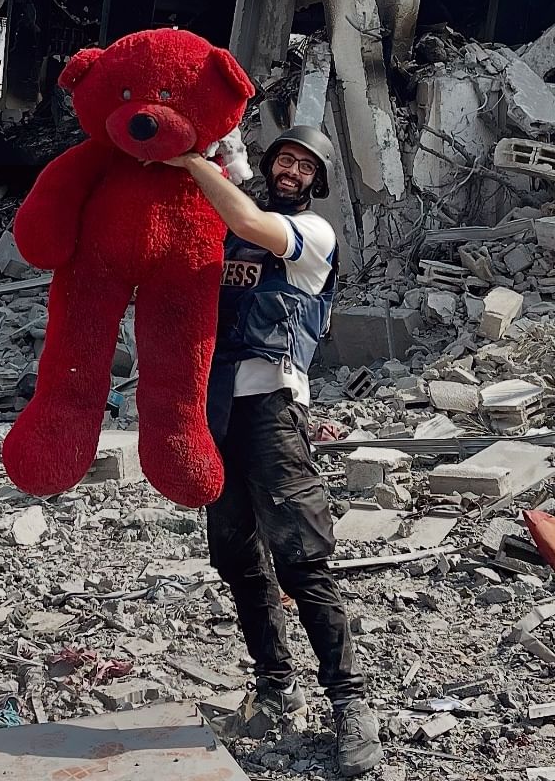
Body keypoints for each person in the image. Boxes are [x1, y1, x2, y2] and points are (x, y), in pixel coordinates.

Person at [161, 125, 384, 777]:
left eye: (305, 167)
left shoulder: (311, 235)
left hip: (274, 414)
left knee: (302, 561)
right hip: (218, 412)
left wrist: (191, 161)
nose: (292, 171)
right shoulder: (227, 236)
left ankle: (350, 705)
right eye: (285, 159)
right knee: (236, 557)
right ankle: (275, 687)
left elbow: (246, 218)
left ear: (317, 182)